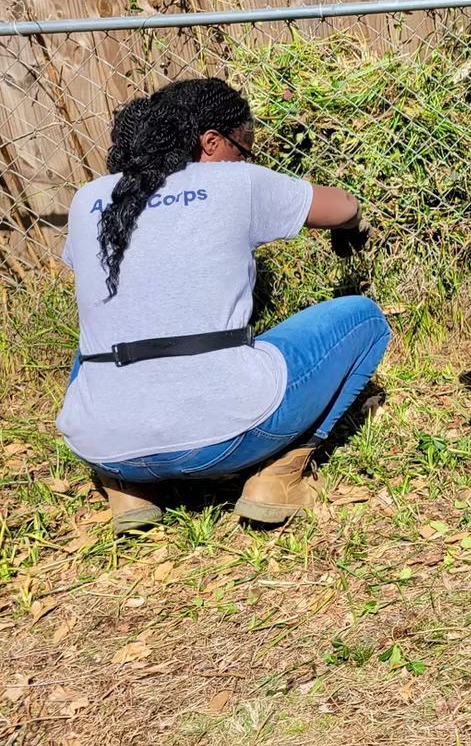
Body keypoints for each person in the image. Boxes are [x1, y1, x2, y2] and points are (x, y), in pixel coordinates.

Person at [57, 78, 390, 533]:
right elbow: (343, 205)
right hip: (228, 440)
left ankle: (130, 488)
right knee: (362, 318)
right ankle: (278, 477)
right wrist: (350, 229)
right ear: (210, 142)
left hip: (101, 443)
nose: (246, 158)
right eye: (243, 147)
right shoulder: (234, 181)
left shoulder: (87, 199)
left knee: (105, 333)